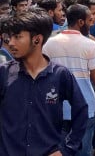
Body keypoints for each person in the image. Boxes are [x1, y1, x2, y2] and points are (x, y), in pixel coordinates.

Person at [0, 9, 88, 155]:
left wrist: (67, 149)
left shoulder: (60, 75)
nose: (11, 43)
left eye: (17, 37)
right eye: (9, 38)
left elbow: (81, 110)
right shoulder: (4, 73)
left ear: (37, 39)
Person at [43, 4, 95, 156]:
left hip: (57, 108)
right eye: (89, 20)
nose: (91, 23)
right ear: (81, 22)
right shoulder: (89, 45)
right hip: (84, 108)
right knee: (83, 151)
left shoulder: (48, 44)